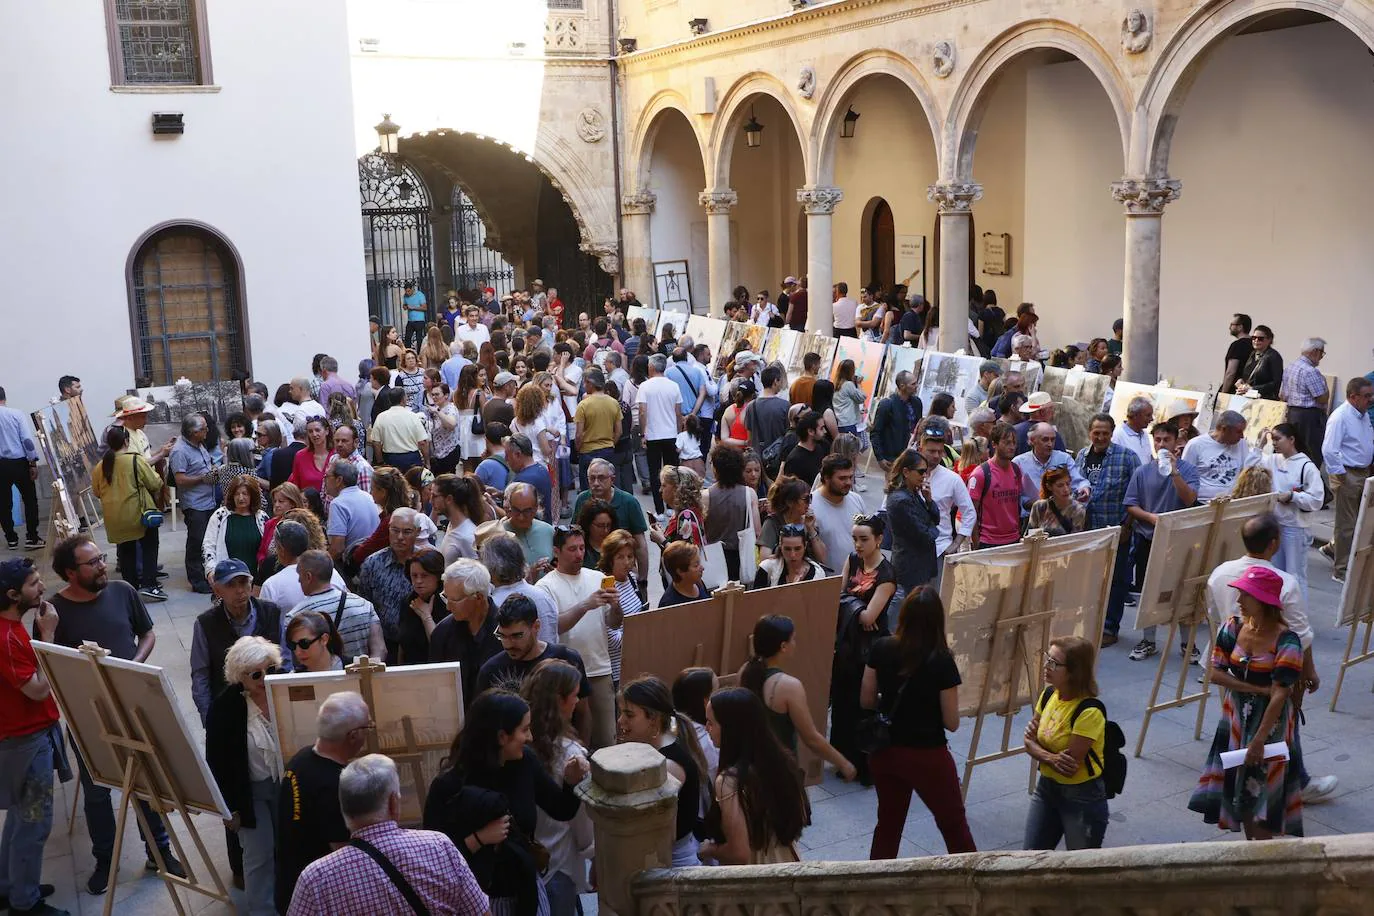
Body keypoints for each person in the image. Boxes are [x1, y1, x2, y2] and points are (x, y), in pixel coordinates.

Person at [46, 537, 184, 893]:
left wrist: (132, 666)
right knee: (96, 792)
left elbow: (147, 632)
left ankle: (159, 851)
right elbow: (52, 667)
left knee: (146, 783)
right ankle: (105, 859)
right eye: (92, 563)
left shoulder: (123, 591)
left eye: (101, 558)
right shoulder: (54, 612)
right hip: (88, 715)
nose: (102, 566)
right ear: (69, 573)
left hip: (133, 705)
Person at [1204, 514, 1335, 805]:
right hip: (1260, 666)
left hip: (1236, 665)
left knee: (1245, 723)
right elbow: (1301, 634)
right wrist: (1308, 670)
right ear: (1274, 544)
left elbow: (1213, 616)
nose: (1240, 601)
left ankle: (1264, 782)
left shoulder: (1219, 573)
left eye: (1244, 597)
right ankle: (1290, 781)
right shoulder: (1285, 582)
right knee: (1279, 725)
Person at [423, 691, 587, 916]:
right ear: (501, 737)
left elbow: (561, 809)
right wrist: (478, 840)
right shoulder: (448, 786)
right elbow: (434, 858)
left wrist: (571, 782)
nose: (530, 737)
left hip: (526, 894)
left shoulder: (525, 762)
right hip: (476, 903)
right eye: (524, 729)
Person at [290, 753, 489, 916]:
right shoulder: (439, 846)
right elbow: (480, 912)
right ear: (394, 803)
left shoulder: (316, 878)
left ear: (343, 809)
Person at [1188, 567, 1303, 840]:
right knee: (1240, 788)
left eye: (1245, 594)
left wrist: (1259, 740)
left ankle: (1261, 850)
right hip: (1236, 716)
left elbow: (1280, 694)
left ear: (1263, 601)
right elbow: (1215, 673)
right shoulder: (1233, 626)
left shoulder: (1287, 640)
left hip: (1270, 724)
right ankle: (1253, 846)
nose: (1239, 599)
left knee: (1262, 791)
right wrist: (1255, 688)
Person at [862, 586, 975, 858]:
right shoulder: (941, 661)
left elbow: (866, 700)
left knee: (888, 826)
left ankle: (874, 886)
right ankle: (974, 883)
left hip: (886, 751)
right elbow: (952, 722)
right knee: (953, 825)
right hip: (927, 754)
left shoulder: (881, 647)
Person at [0, 559, 66, 916]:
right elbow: (38, 690)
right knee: (34, 822)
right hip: (26, 742)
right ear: (13, 595)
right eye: (33, 584)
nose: (42, 588)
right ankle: (25, 903)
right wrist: (49, 635)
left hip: (20, 737)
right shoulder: (8, 638)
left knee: (18, 817)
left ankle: (8, 885)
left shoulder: (10, 627)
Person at [274, 691, 372, 912]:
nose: (369, 732)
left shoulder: (301, 759)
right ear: (354, 735)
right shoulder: (336, 785)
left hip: (289, 885)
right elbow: (342, 854)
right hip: (317, 898)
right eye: (368, 727)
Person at [205, 637, 282, 916]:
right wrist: (228, 809)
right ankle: (263, 911)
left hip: (287, 786)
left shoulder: (285, 689)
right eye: (256, 674)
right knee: (258, 854)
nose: (265, 678)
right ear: (240, 677)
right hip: (249, 793)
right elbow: (217, 762)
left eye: (271, 669)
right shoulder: (224, 708)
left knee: (288, 849)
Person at [698, 687, 808, 865]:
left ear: (730, 729)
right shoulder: (782, 760)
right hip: (786, 860)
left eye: (711, 723)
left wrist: (708, 850)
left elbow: (739, 853)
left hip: (756, 875)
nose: (706, 728)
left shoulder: (730, 781)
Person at [739, 614, 856, 780]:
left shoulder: (745, 672)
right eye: (793, 639)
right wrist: (843, 763)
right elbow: (811, 738)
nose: (795, 644)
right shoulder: (788, 686)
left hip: (750, 766)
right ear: (783, 646)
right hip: (779, 772)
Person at [1023, 636, 1110, 850]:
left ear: (1074, 671)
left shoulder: (1089, 712)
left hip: (1082, 798)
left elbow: (1067, 766)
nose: (1046, 666)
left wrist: (1039, 749)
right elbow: (1028, 741)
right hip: (1046, 788)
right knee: (1029, 858)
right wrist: (1049, 756)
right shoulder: (1049, 694)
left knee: (1079, 869)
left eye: (1054, 663)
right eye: (1047, 658)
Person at [521, 661, 594, 915]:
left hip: (525, 864)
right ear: (560, 700)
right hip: (559, 865)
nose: (578, 702)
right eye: (574, 695)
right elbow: (581, 818)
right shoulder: (571, 754)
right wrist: (592, 853)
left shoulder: (518, 745)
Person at [615, 676, 712, 867]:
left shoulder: (667, 766)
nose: (620, 721)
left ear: (654, 720)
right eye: (621, 713)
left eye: (629, 715)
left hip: (672, 864)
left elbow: (656, 832)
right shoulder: (661, 744)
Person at [539, 526, 621, 750]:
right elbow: (554, 626)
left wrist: (615, 607)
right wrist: (585, 605)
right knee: (573, 743)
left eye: (582, 548)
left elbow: (614, 623)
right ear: (557, 551)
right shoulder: (545, 587)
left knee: (607, 740)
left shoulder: (599, 578)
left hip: (599, 668)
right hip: (565, 676)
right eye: (572, 549)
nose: (579, 554)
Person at [1124, 421, 1200, 661]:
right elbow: (1131, 505)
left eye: (1166, 440)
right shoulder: (1142, 471)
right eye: (1157, 440)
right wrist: (1151, 518)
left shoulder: (1188, 470)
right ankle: (1148, 641)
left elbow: (1189, 499)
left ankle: (1188, 644)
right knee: (1150, 592)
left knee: (1184, 591)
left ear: (1176, 442)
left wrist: (1175, 472)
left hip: (1180, 541)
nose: (1161, 444)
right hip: (1149, 539)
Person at [831, 514, 897, 782]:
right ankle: (841, 761)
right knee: (842, 706)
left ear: (879, 539)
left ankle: (865, 766)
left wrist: (850, 606)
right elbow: (837, 594)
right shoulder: (852, 559)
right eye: (855, 539)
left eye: (864, 539)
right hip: (846, 645)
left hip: (869, 651)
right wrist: (857, 607)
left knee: (863, 708)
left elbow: (871, 618)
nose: (858, 545)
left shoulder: (887, 574)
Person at [1075, 415, 1142, 647]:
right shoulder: (1082, 455)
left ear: (1112, 433)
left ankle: (1110, 628)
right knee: (1088, 580)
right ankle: (1088, 624)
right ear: (1089, 432)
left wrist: (1128, 525)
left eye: (1105, 433)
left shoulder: (1127, 457)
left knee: (1115, 581)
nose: (1101, 437)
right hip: (1088, 530)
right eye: (1096, 433)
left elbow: (1137, 494)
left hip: (1117, 530)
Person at [191, 558, 283, 723]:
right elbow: (200, 676)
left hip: (270, 707)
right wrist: (209, 719)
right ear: (217, 590)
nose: (240, 590)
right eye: (231, 585)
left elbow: (286, 661)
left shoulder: (271, 613)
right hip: (227, 711)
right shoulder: (205, 624)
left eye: (243, 582)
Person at [92, 425, 165, 601]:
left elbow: (96, 492)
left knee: (126, 552)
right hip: (137, 514)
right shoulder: (135, 460)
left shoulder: (100, 466)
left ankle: (130, 588)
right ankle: (149, 584)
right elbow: (155, 483)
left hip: (114, 518)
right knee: (149, 546)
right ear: (127, 441)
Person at [282, 550, 385, 665]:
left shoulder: (294, 617)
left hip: (317, 682)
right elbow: (380, 650)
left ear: (308, 576)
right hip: (359, 679)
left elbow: (292, 662)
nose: (299, 580)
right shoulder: (364, 605)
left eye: (299, 575)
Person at [1258, 424, 1323, 602]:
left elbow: (1317, 500)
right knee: (1275, 573)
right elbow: (1250, 466)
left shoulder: (1306, 466)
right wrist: (1260, 444)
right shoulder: (1273, 459)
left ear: (1292, 439)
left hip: (1296, 527)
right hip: (1275, 524)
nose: (1275, 443)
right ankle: (1277, 616)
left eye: (1278, 439)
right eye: (1273, 439)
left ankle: (1297, 620)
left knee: (1294, 575)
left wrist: (1293, 497)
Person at [428, 559, 503, 705]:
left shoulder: (506, 631)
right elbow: (435, 686)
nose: (448, 607)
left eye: (455, 600)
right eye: (445, 597)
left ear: (479, 598)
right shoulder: (442, 632)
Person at [1322, 377, 1374, 583]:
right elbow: (1329, 449)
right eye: (1367, 396)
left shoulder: (1362, 415)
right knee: (1347, 525)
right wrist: (1341, 474)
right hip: (1348, 473)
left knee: (1361, 521)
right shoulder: (1340, 417)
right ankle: (1341, 570)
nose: (1371, 399)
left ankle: (1333, 549)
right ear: (1353, 397)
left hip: (1363, 472)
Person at [572, 457, 650, 583]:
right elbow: (575, 535)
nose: (596, 483)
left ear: (612, 479)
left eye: (601, 478)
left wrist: (642, 579)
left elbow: (640, 545)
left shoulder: (628, 502)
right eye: (592, 478)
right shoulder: (582, 500)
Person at [884, 449, 941, 606]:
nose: (924, 476)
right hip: (910, 568)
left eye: (926, 471)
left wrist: (929, 500)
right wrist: (933, 528)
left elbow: (935, 519)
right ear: (906, 472)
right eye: (921, 471)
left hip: (921, 565)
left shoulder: (913, 493)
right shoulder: (901, 500)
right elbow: (926, 535)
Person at [170, 413, 218, 594]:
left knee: (207, 540)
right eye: (203, 429)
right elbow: (180, 480)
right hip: (195, 503)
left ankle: (208, 575)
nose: (207, 431)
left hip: (208, 500)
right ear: (193, 432)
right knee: (196, 542)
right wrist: (203, 478)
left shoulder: (199, 444)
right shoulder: (180, 451)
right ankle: (197, 581)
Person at [916, 430, 975, 575]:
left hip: (940, 549)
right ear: (920, 449)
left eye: (940, 451)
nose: (936, 456)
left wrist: (956, 544)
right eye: (931, 451)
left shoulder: (952, 479)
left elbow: (969, 512)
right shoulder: (907, 475)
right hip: (911, 552)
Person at [258, 521, 345, 614]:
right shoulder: (332, 573)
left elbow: (264, 623)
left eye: (276, 546)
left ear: (281, 549)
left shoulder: (272, 585)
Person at [703, 445, 761, 584]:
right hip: (741, 556)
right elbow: (758, 531)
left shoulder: (705, 496)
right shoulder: (749, 494)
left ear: (716, 469)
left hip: (714, 557)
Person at [636, 354, 684, 515]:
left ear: (651, 367)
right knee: (672, 472)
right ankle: (671, 506)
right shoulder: (674, 386)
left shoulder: (645, 386)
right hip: (671, 434)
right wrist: (679, 433)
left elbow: (642, 412)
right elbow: (679, 413)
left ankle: (659, 510)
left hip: (653, 435)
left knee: (655, 472)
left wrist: (643, 433)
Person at [966, 422, 1024, 549]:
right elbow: (971, 511)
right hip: (988, 541)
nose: (1012, 447)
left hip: (1013, 539)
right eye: (1007, 442)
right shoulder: (981, 474)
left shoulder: (1016, 470)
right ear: (994, 444)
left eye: (1014, 443)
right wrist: (976, 542)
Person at [201, 476, 268, 583]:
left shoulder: (262, 517)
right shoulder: (219, 516)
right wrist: (211, 570)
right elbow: (208, 546)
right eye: (237, 494)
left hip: (256, 579)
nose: (241, 498)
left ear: (252, 495)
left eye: (245, 494)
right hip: (227, 578)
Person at [1013, 423, 1090, 515]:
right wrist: (1029, 502)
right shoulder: (1018, 463)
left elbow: (1078, 481)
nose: (1050, 444)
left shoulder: (1064, 459)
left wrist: (1084, 488)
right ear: (1032, 440)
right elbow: (1015, 495)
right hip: (1031, 517)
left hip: (1061, 516)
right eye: (1045, 440)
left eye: (1053, 440)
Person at [1183, 410, 1258, 503]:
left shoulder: (1241, 443)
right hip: (1202, 503)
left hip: (1230, 503)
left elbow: (1248, 469)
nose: (1242, 436)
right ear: (1224, 429)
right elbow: (1185, 476)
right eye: (1238, 432)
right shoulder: (1196, 445)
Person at [0, 390, 43, 553]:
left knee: (3, 504)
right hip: (19, 463)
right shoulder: (16, 414)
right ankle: (32, 537)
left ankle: (11, 538)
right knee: (30, 500)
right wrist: (32, 462)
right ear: (5, 397)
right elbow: (26, 440)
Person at [809, 455, 867, 575]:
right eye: (842, 478)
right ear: (826, 478)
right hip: (828, 581)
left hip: (857, 578)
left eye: (850, 477)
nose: (848, 482)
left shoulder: (857, 499)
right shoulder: (810, 506)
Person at [1279, 338, 1330, 466]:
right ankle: (1310, 481)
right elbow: (1322, 398)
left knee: (1294, 451)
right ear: (1315, 352)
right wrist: (1325, 386)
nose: (1321, 358)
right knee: (1312, 453)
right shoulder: (1310, 371)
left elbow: (1282, 395)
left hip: (1292, 413)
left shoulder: (1290, 367)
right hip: (1309, 417)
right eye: (1322, 353)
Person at [395, 548, 449, 665]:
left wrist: (426, 617)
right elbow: (402, 643)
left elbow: (441, 647)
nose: (418, 581)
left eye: (424, 576)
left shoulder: (448, 602)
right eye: (414, 576)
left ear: (437, 576)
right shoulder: (408, 601)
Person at [757, 476, 826, 567]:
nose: (809, 503)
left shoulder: (808, 521)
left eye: (810, 497)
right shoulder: (773, 522)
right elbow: (764, 560)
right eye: (806, 499)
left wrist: (811, 529)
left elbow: (822, 558)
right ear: (790, 502)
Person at [870, 371, 923, 471]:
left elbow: (918, 425)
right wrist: (880, 457)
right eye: (913, 384)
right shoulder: (887, 404)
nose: (916, 386)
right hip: (893, 455)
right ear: (902, 386)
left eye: (916, 383)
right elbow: (876, 432)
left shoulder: (917, 402)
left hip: (912, 453)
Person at [370, 388, 430, 471]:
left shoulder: (381, 417)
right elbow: (423, 442)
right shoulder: (413, 416)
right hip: (411, 459)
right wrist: (427, 462)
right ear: (403, 399)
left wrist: (380, 462)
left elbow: (376, 442)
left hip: (390, 459)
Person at [499, 481, 556, 567]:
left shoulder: (548, 531)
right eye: (516, 510)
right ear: (510, 507)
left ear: (536, 507)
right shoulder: (499, 534)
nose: (521, 517)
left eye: (527, 511)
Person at [1028, 467, 1087, 537]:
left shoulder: (1078, 510)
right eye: (1060, 486)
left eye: (1068, 484)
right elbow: (1030, 536)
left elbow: (1076, 540)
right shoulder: (1039, 507)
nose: (1066, 489)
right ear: (1049, 487)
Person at [1235, 325, 1283, 400]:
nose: (1256, 340)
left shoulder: (1274, 356)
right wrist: (1241, 382)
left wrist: (1253, 388)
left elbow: (1276, 382)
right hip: (1249, 397)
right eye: (1253, 338)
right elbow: (1250, 376)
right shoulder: (1253, 354)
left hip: (1265, 400)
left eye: (1260, 339)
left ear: (1269, 340)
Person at [781, 410, 829, 485]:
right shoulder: (794, 460)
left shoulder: (821, 447)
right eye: (821, 428)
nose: (825, 431)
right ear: (810, 431)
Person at [659, 540, 710, 607]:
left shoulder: (697, 583)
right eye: (696, 565)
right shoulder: (669, 604)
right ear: (680, 572)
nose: (702, 568)